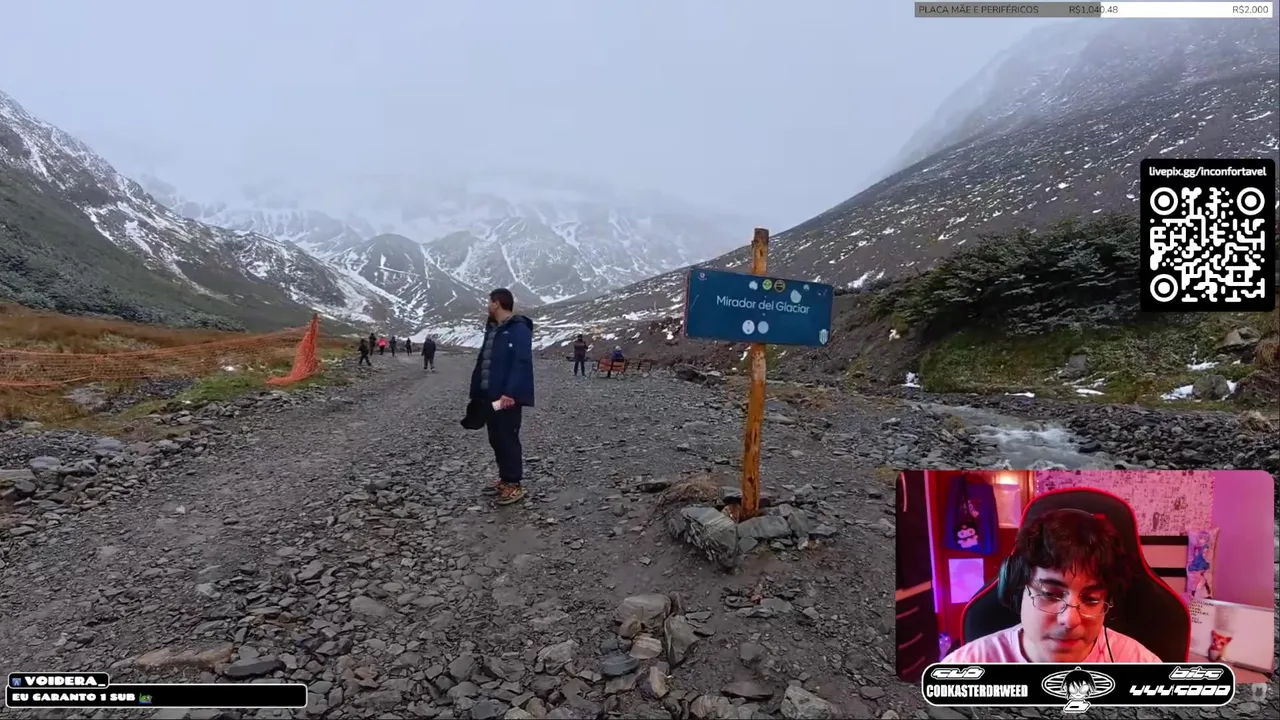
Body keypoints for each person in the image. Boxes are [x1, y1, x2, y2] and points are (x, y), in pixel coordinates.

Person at [941, 509, 1161, 664]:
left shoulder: (1139, 665)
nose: (1070, 620)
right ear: (1018, 589)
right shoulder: (966, 669)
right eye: (1050, 594)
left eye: (1091, 599)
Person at [470, 288, 534, 506]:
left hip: (507, 398)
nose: (488, 306)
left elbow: (521, 361)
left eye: (489, 302)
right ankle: (505, 479)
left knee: (508, 436)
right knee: (496, 437)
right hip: (491, 396)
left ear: (496, 303)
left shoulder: (518, 328)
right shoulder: (493, 329)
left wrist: (510, 392)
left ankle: (514, 483)